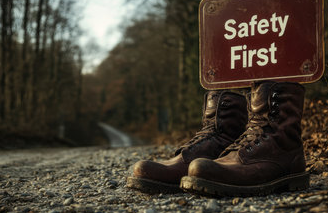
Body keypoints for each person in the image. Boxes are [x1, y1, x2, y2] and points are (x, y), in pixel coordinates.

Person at [127, 80, 309, 197]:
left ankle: (287, 160)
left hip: (283, 152)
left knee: (271, 86)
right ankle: (222, 139)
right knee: (224, 80)